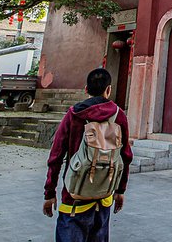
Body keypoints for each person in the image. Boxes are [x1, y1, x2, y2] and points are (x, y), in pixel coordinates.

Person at [43, 68, 133, 242]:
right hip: (104, 195)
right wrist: (120, 190)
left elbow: (56, 156)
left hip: (74, 197)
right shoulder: (119, 115)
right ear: (108, 89)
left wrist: (49, 192)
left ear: (86, 89)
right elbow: (126, 156)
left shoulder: (73, 114)